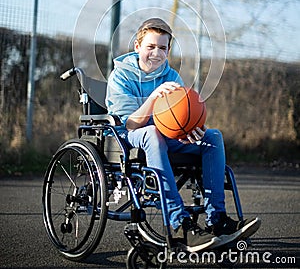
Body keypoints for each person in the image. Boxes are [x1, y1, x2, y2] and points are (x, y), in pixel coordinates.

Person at [106, 17, 260, 252]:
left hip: (163, 137)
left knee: (213, 137)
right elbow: (131, 124)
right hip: (128, 137)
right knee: (151, 133)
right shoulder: (121, 76)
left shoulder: (172, 77)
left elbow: (179, 118)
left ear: (168, 50)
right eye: (150, 46)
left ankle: (216, 218)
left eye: (162, 48)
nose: (156, 53)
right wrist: (154, 97)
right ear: (138, 47)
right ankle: (179, 223)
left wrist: (189, 132)